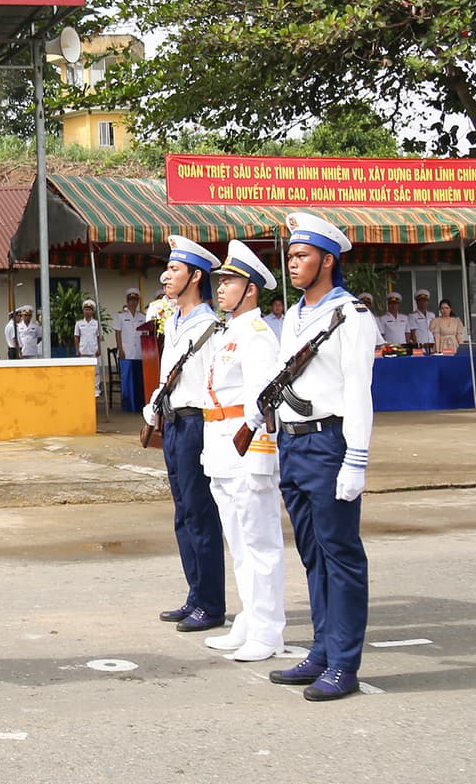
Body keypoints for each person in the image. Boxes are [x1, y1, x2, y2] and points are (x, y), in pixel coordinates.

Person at [254, 211, 377, 702]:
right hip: (294, 440)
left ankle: (344, 664)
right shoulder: (296, 315)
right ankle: (323, 651)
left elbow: (358, 392)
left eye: (302, 255)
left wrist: (357, 459)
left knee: (341, 555)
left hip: (330, 443)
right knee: (313, 555)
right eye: (290, 256)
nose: (292, 263)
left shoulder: (352, 315)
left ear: (328, 261)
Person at [201, 242, 287, 663]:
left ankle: (269, 630)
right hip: (221, 446)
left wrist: (261, 459)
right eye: (220, 281)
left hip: (247, 450)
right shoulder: (229, 333)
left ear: (250, 289)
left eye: (229, 281)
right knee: (238, 543)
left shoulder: (256, 336)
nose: (221, 288)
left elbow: (264, 403)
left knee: (261, 543)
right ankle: (250, 620)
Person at [142, 236, 226, 634]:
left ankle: (211, 602)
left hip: (196, 424)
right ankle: (195, 594)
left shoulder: (209, 324)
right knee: (183, 513)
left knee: (200, 513)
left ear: (195, 277)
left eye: (175, 270)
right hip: (173, 422)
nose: (166, 275)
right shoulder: (173, 319)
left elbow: (214, 383)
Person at [112, 289, 146, 364]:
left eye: (135, 300)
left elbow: (144, 334)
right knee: (126, 375)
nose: (133, 302)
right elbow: (118, 334)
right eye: (131, 300)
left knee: (138, 375)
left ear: (138, 302)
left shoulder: (143, 317)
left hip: (139, 352)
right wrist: (120, 350)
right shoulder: (120, 316)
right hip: (126, 352)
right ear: (127, 301)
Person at [74, 299, 102, 390]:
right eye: (86, 309)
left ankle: (96, 389)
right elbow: (76, 337)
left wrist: (99, 349)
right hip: (83, 351)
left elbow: (99, 337)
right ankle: (84, 388)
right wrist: (77, 350)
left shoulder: (97, 323)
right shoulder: (79, 323)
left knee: (96, 372)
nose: (88, 311)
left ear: (92, 311)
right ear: (83, 311)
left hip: (94, 350)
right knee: (83, 371)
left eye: (89, 310)